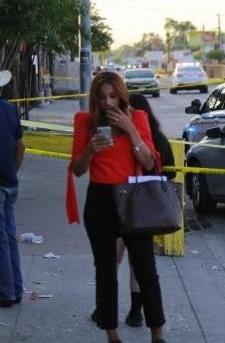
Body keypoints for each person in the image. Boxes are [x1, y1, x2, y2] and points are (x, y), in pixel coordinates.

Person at [67, 71, 166, 343]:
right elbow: (77, 170)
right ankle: (112, 334)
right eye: (101, 98)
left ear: (121, 96)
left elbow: (149, 163)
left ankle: (157, 335)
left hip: (133, 196)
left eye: (112, 96)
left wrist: (131, 129)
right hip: (100, 199)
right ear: (94, 100)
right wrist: (90, 149)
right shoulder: (84, 122)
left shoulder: (138, 118)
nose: (108, 103)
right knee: (106, 270)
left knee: (145, 268)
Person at [0, 70, 25, 309]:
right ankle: (16, 288)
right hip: (9, 181)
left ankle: (6, 291)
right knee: (9, 235)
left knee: (2, 239)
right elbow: (21, 146)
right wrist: (14, 171)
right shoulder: (9, 110)